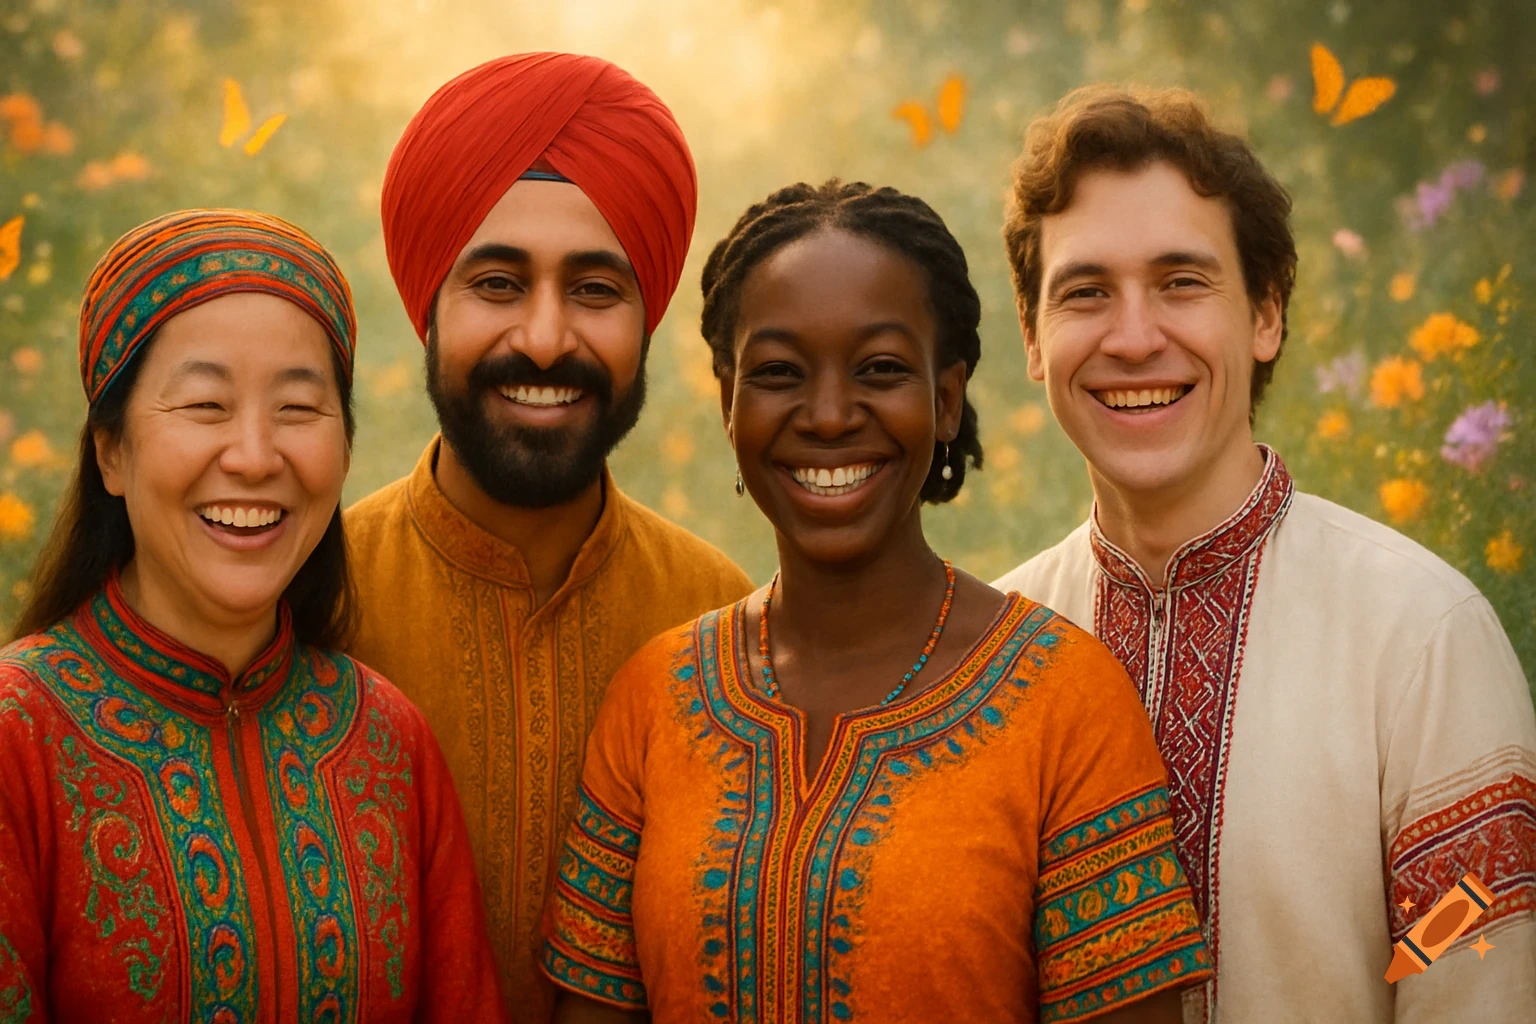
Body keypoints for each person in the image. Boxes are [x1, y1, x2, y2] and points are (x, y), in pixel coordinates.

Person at [541, 180, 1212, 1023]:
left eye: (881, 370)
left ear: (945, 396)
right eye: (780, 372)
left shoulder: (1065, 701)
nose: (827, 415)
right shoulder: (654, 699)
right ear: (728, 401)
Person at [993, 86, 1536, 1023]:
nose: (1132, 336)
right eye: (1086, 292)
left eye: (1182, 282)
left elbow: (1468, 973)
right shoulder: (995, 655)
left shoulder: (1418, 640)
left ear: (1266, 315)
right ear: (1034, 338)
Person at [0, 209, 505, 1021]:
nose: (255, 455)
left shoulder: (386, 739)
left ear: (343, 451)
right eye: (204, 406)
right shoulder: (19, 738)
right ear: (111, 452)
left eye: (300, 410)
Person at [345, 53, 754, 1019]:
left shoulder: (728, 622)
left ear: (648, 316)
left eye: (596, 290)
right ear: (427, 311)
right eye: (495, 282)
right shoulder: (309, 600)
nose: (542, 336)